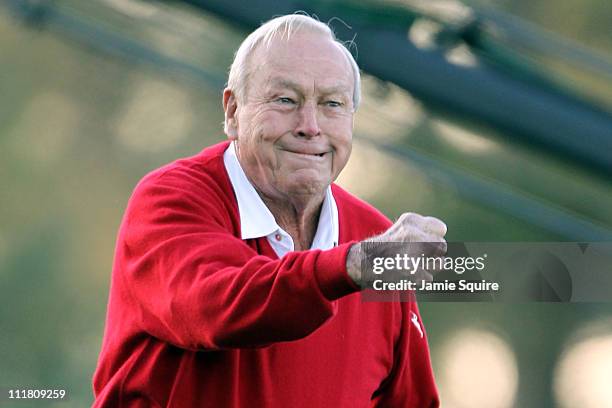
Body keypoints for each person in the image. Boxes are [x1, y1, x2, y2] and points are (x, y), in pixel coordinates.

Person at [93, 13, 446, 408]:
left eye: (332, 104)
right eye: (285, 100)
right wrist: (350, 267)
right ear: (232, 113)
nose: (310, 125)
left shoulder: (373, 239)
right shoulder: (171, 200)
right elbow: (221, 308)